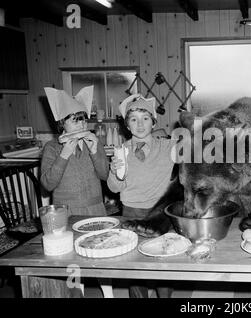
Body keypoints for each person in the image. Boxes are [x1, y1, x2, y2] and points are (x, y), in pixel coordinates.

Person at [107, 94, 176, 298]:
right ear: (127, 125)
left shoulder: (168, 147)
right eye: (134, 119)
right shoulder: (121, 151)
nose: (140, 124)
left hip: (160, 214)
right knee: (134, 268)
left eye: (145, 118)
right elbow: (114, 188)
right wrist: (114, 171)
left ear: (153, 122)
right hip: (131, 212)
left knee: (163, 265)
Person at [41, 86, 109, 216]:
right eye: (75, 121)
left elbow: (105, 176)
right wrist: (64, 155)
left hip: (95, 208)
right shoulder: (52, 147)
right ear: (62, 123)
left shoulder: (94, 142)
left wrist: (94, 151)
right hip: (65, 211)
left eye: (84, 120)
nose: (81, 125)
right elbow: (48, 184)